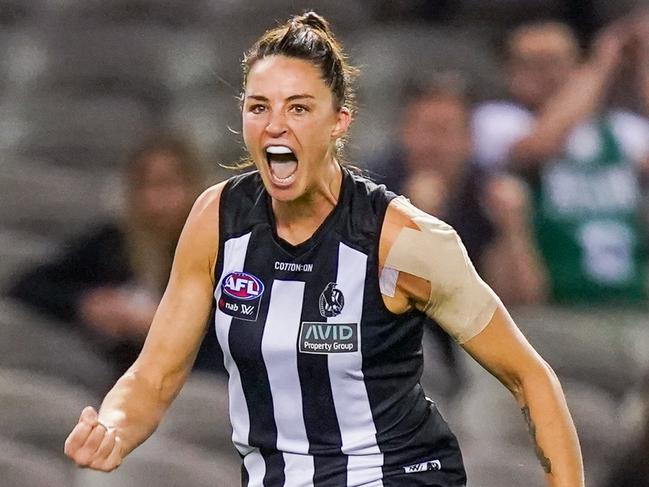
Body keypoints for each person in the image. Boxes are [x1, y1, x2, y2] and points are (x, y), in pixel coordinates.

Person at [64, 12, 584, 486]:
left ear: (339, 122)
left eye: (298, 108)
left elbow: (529, 377)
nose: (275, 125)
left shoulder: (401, 239)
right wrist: (113, 427)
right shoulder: (215, 219)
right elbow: (154, 375)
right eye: (259, 107)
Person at [9, 135, 223, 380]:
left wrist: (167, 327)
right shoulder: (113, 242)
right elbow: (28, 285)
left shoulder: (225, 250)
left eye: (167, 185)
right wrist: (88, 304)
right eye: (144, 186)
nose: (154, 200)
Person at [472, 18, 649, 304]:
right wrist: (602, 62)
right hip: (549, 306)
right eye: (534, 63)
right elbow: (543, 144)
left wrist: (642, 64)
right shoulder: (499, 122)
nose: (548, 74)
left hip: (627, 301)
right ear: (510, 70)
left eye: (556, 62)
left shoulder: (618, 130)